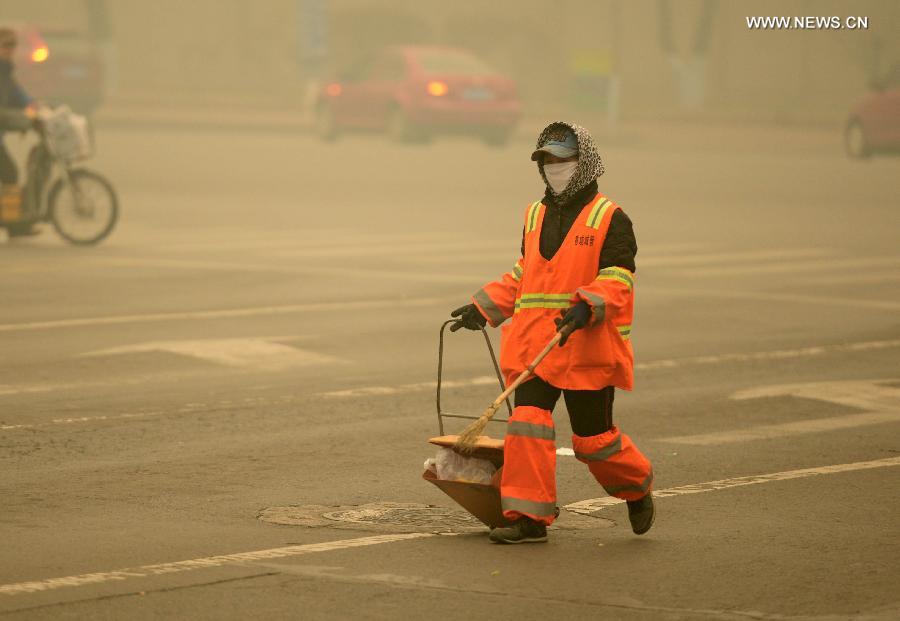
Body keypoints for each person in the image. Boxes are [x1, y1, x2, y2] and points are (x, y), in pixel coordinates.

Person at [450, 121, 655, 544]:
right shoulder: (534, 213)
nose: (553, 168)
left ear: (584, 164)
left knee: (593, 441)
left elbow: (619, 278)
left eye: (562, 160)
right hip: (536, 348)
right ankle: (528, 518)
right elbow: (527, 276)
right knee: (527, 424)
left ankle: (636, 487)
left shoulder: (611, 218)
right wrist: (482, 308)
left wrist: (587, 305)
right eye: (546, 161)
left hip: (585, 347)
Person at [0, 27, 37, 235]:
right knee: (9, 172)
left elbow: (19, 96)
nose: (10, 49)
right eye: (6, 45)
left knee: (9, 173)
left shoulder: (6, 71)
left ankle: (13, 220)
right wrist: (21, 121)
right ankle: (13, 223)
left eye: (13, 45)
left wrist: (36, 108)